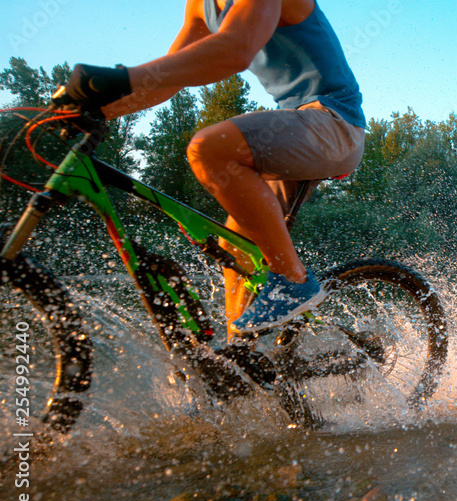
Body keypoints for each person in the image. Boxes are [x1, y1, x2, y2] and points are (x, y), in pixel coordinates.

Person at [60, 0, 365, 337]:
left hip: (333, 123)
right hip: (297, 128)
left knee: (209, 150)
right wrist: (98, 110)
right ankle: (240, 360)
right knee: (235, 247)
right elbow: (165, 80)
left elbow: (235, 49)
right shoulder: (199, 6)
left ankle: (294, 279)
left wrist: (118, 78)